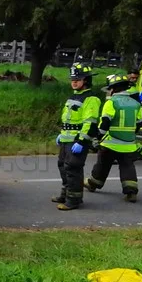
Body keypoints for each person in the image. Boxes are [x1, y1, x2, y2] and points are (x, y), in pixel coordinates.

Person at [83, 74, 142, 202]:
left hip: (110, 143)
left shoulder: (111, 103)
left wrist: (97, 138)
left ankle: (93, 183)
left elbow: (104, 123)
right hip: (129, 144)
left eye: (109, 89)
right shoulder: (136, 104)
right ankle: (131, 192)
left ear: (113, 89)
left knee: (102, 164)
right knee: (127, 166)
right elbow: (138, 124)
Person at [52, 63, 101, 211]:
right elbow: (67, 119)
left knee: (73, 168)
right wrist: (61, 134)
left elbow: (90, 123)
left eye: (78, 79)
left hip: (77, 140)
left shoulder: (91, 99)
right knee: (63, 166)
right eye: (73, 79)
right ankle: (66, 194)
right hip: (66, 139)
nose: (74, 81)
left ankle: (74, 199)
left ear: (85, 80)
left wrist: (81, 140)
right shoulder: (74, 96)